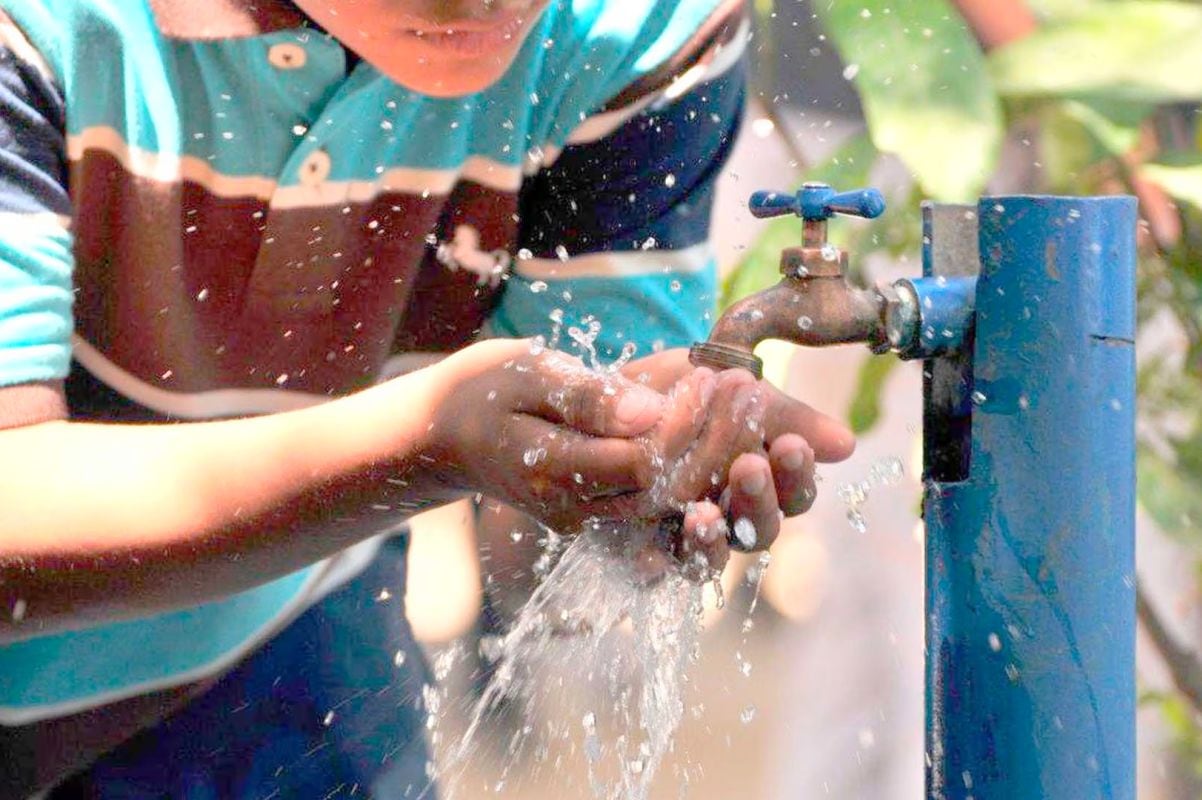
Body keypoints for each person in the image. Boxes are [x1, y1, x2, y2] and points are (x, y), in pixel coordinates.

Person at [0, 0, 854, 796]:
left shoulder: (631, 24)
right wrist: (421, 447)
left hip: (274, 629)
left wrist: (639, 470)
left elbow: (574, 461)